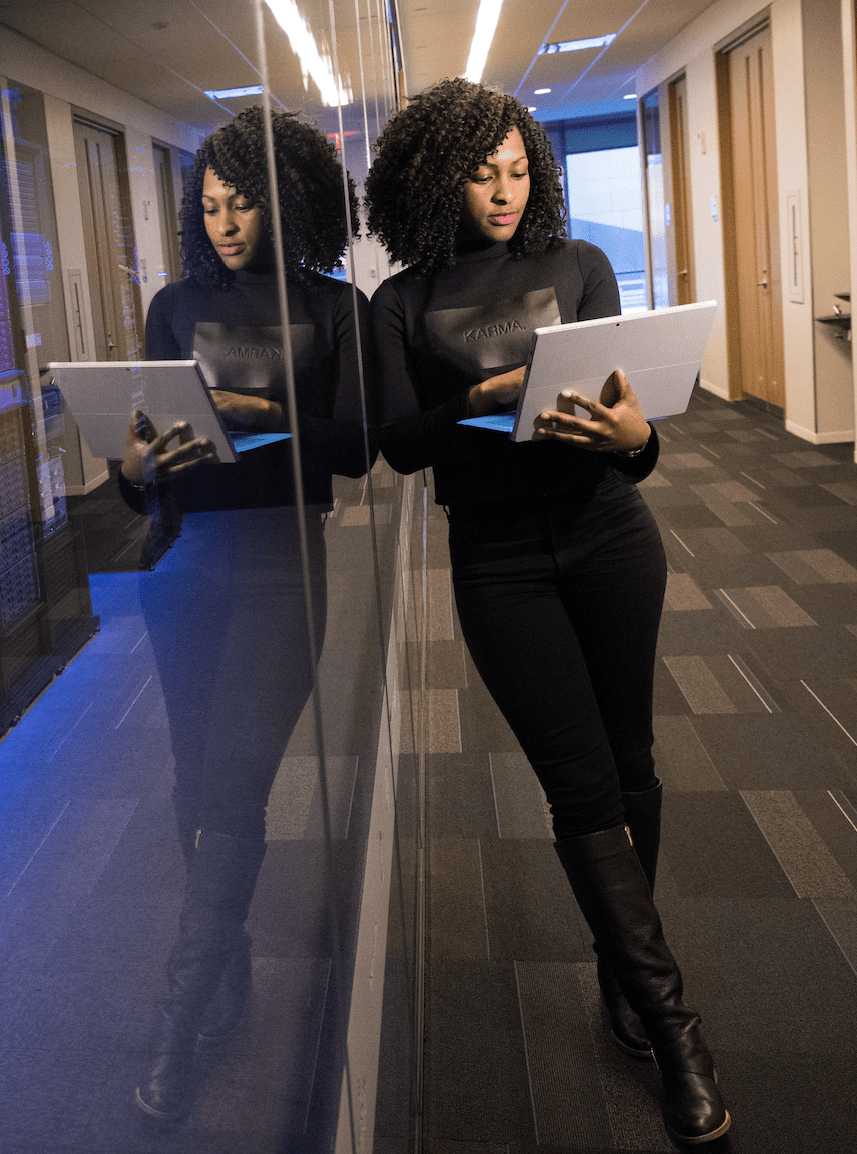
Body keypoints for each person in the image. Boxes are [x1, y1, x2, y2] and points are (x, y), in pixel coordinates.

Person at [363, 77, 729, 1145]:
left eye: (520, 170)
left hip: (609, 532)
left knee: (632, 762)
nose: (506, 191)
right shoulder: (401, 301)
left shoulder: (579, 266)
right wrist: (477, 399)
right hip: (498, 559)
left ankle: (623, 969)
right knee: (578, 789)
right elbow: (396, 440)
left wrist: (636, 440)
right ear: (437, 178)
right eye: (482, 173)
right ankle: (675, 1032)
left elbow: (634, 428)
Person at [115, 106, 377, 1121]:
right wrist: (136, 466)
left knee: (230, 781)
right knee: (195, 783)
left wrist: (273, 416)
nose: (226, 222)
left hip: (282, 568)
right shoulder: (172, 304)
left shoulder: (329, 305)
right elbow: (138, 475)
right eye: (211, 205)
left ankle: (176, 1024)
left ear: (286, 198)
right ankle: (228, 974)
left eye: (244, 202)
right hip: (185, 564)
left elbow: (359, 448)